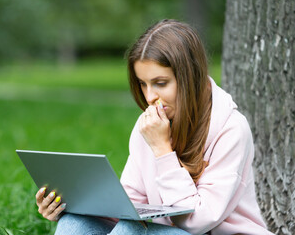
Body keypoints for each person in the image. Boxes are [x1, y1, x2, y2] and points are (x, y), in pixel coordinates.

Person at [35, 19, 273, 235]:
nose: (150, 97)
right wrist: (70, 204)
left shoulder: (231, 129)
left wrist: (162, 151)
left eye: (160, 83)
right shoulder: (149, 124)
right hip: (162, 230)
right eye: (143, 84)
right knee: (73, 223)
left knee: (130, 230)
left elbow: (199, 221)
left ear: (191, 77)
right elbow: (132, 204)